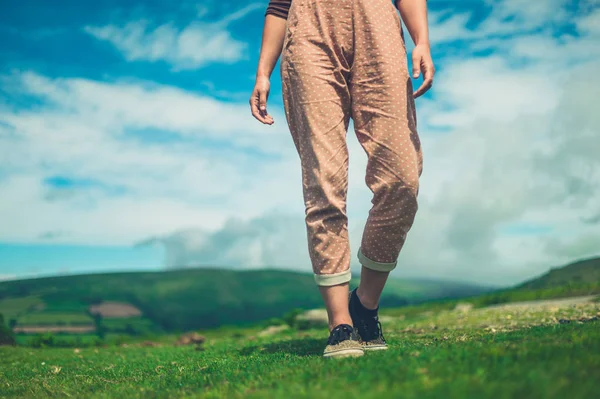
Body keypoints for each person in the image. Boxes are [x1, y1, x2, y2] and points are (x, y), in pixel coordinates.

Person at [250, 0, 434, 358]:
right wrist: (263, 72)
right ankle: (340, 324)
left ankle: (364, 305)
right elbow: (279, 6)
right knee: (325, 182)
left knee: (402, 179)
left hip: (378, 31)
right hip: (309, 37)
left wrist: (421, 40)